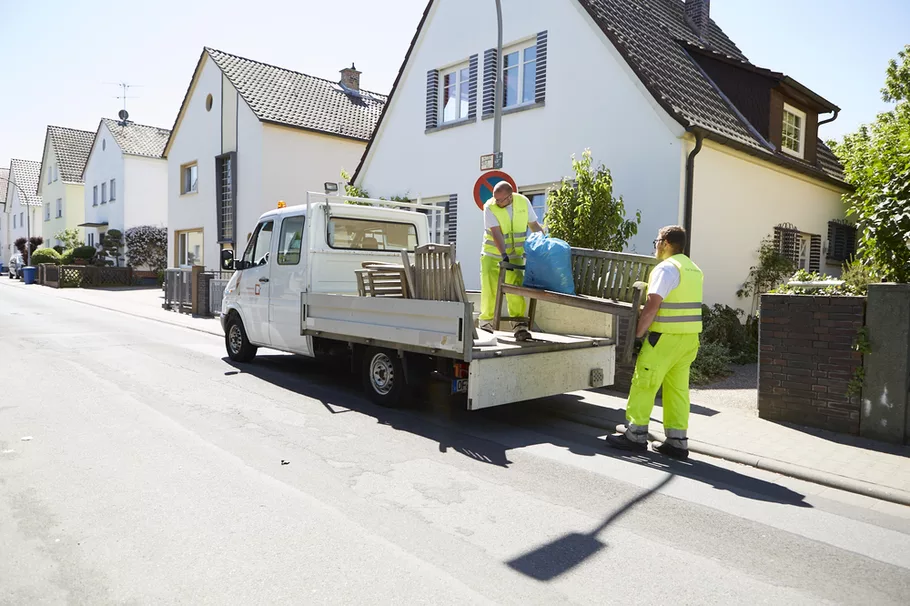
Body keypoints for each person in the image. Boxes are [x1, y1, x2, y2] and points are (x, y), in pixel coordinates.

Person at [606, 225, 703, 460]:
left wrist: (637, 335)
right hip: (689, 339)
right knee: (677, 390)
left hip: (663, 339)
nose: (656, 245)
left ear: (666, 243)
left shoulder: (667, 268)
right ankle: (677, 441)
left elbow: (652, 305)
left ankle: (635, 435)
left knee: (644, 383)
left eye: (657, 241)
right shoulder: (693, 269)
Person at [479, 181, 544, 339]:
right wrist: (504, 255)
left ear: (509, 197)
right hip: (492, 255)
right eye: (495, 198)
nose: (496, 202)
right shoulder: (490, 207)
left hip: (515, 255)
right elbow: (496, 233)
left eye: (500, 199)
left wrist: (545, 242)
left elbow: (534, 225)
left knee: (516, 289)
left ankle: (519, 326)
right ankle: (486, 324)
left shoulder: (523, 202)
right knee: (489, 289)